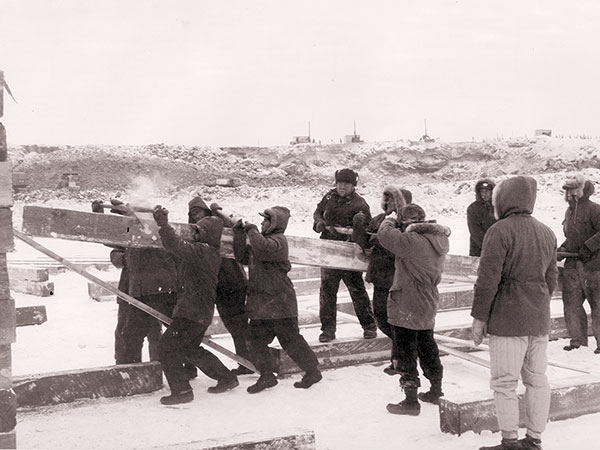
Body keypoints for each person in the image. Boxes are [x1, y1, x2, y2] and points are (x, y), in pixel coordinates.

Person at [471, 175, 558, 450]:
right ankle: (534, 439)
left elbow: (488, 279)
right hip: (538, 319)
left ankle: (509, 441)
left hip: (507, 319)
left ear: (504, 199)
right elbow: (552, 279)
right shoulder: (547, 232)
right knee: (537, 380)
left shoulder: (499, 231)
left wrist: (479, 317)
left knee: (505, 383)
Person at [153, 205, 239, 405]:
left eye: (199, 231)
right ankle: (226, 377)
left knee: (166, 348)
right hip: (198, 311)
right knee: (190, 349)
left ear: (208, 235)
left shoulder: (204, 251)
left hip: (191, 312)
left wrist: (163, 225)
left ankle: (182, 391)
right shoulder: (206, 252)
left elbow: (176, 245)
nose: (195, 234)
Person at [233, 206, 322, 393]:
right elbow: (242, 257)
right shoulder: (262, 242)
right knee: (254, 341)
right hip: (263, 305)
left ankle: (312, 371)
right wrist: (239, 234)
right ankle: (266, 376)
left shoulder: (278, 241)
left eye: (265, 220)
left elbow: (264, 250)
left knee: (291, 341)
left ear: (274, 223)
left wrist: (252, 231)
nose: (262, 223)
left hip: (280, 302)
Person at [377, 204, 451, 416]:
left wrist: (390, 219)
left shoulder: (412, 242)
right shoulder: (438, 240)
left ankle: (410, 400)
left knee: (406, 349)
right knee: (427, 345)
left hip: (408, 300)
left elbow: (385, 236)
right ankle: (436, 389)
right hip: (427, 299)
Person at [92, 199, 177, 365]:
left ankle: (160, 365)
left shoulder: (155, 233)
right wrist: (98, 216)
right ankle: (126, 365)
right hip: (129, 289)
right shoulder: (127, 233)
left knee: (154, 331)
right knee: (125, 331)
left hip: (152, 290)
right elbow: (112, 247)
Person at [187, 197, 253, 374]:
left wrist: (218, 210)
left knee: (238, 325)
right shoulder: (197, 234)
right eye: (192, 214)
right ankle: (246, 362)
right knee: (231, 325)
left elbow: (234, 228)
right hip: (216, 286)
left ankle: (247, 363)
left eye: (198, 212)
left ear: (206, 212)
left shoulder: (218, 225)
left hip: (233, 283)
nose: (196, 217)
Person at [313, 168, 377, 342]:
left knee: (357, 291)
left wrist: (355, 231)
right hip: (329, 250)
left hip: (349, 252)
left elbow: (367, 229)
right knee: (327, 292)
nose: (341, 186)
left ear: (352, 186)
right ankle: (328, 330)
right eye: (339, 183)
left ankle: (369, 327)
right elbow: (318, 212)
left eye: (345, 184)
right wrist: (319, 222)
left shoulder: (360, 204)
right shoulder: (329, 197)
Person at [353, 185, 411, 375]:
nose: (387, 203)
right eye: (385, 199)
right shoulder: (378, 219)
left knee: (396, 321)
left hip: (398, 277)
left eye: (392, 199)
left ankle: (400, 360)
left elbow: (402, 245)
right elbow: (363, 244)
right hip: (380, 276)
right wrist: (359, 228)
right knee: (381, 318)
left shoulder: (407, 223)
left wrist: (381, 239)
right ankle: (402, 354)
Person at [557, 173, 600, 353]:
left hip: (594, 266)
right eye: (567, 191)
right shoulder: (569, 212)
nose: (569, 194)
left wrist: (588, 247)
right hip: (572, 266)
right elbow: (571, 237)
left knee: (598, 305)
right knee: (571, 304)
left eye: (572, 190)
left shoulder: (595, 209)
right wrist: (562, 248)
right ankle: (577, 341)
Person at [467, 178, 497, 257]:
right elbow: (475, 232)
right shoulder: (473, 208)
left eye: (487, 191)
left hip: (498, 248)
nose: (484, 194)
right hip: (478, 250)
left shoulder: (499, 207)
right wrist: (488, 247)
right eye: (482, 191)